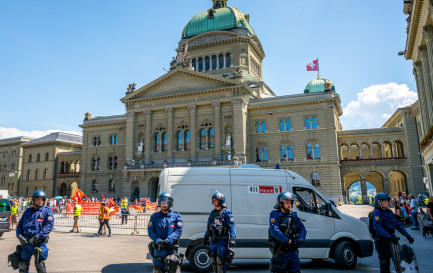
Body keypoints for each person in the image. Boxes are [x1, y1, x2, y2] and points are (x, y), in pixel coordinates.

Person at [371, 193, 414, 273]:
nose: (388, 203)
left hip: (392, 239)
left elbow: (397, 224)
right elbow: (377, 227)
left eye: (388, 201)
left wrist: (407, 235)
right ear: (379, 202)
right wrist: (388, 236)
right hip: (382, 241)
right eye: (385, 201)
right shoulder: (377, 212)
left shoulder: (389, 212)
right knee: (384, 263)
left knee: (399, 261)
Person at [16, 190, 54, 273]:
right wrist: (19, 235)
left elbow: (49, 226)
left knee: (40, 267)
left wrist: (37, 237)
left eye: (41, 199)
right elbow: (20, 225)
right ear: (33, 200)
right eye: (37, 199)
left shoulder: (46, 211)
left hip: (38, 243)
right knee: (22, 266)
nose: (40, 201)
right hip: (26, 243)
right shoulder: (27, 211)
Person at [268, 192, 306, 273]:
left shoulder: (293, 215)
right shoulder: (275, 214)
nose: (290, 205)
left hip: (293, 252)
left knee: (295, 270)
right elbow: (274, 230)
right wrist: (287, 240)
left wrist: (301, 239)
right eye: (287, 203)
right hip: (281, 251)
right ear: (281, 203)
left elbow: (302, 228)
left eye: (291, 202)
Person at [148, 192, 183, 273]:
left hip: (171, 253)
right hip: (158, 254)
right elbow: (150, 231)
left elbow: (178, 231)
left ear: (169, 203)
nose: (164, 205)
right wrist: (158, 241)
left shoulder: (176, 216)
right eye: (162, 202)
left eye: (166, 203)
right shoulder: (154, 217)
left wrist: (168, 240)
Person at [203, 191, 236, 273]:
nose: (213, 202)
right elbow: (209, 226)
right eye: (213, 200)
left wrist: (232, 238)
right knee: (213, 261)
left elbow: (232, 226)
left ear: (221, 201)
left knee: (220, 261)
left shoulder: (226, 212)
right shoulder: (212, 213)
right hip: (213, 241)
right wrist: (206, 237)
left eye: (215, 200)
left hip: (222, 241)